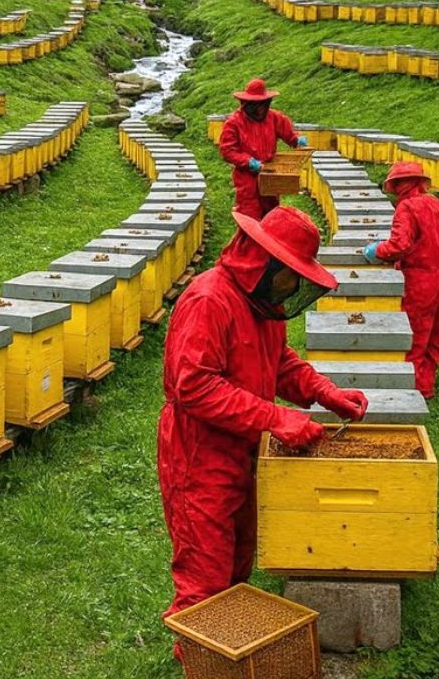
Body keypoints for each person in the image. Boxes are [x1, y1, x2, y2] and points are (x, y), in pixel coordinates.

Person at [157, 206, 369, 635]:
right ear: (262, 261)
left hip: (245, 446)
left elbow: (279, 362)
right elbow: (194, 386)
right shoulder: (209, 300)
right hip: (199, 454)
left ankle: (228, 646)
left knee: (238, 559)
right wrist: (277, 418)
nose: (291, 285)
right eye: (289, 274)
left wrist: (322, 390)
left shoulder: (262, 305)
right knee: (205, 572)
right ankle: (199, 657)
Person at [363, 161, 439, 399]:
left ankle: (412, 393)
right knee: (435, 336)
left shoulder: (407, 207)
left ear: (399, 185)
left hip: (421, 281)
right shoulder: (437, 204)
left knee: (416, 336)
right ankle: (427, 385)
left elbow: (399, 245)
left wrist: (377, 250)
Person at [217, 78, 310, 220]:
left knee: (271, 216)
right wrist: (248, 161)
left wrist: (297, 140)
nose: (259, 109)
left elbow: (289, 134)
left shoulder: (274, 118)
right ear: (246, 103)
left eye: (262, 105)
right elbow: (227, 150)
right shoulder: (234, 123)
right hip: (247, 178)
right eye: (255, 105)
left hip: (270, 173)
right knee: (249, 216)